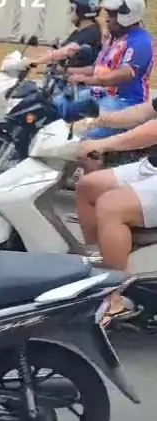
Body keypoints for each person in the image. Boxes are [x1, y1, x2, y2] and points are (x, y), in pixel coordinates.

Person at [75, 96, 157, 320]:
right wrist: (96, 122)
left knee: (111, 206)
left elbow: (153, 130)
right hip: (152, 166)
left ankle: (114, 297)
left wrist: (103, 143)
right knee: (88, 186)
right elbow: (141, 112)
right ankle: (100, 262)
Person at [66, 0, 153, 140]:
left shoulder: (141, 41)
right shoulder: (115, 39)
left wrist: (87, 80)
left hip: (124, 103)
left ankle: (88, 153)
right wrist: (69, 72)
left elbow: (123, 75)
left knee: (84, 137)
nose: (107, 19)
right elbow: (98, 67)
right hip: (102, 95)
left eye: (112, 15)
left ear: (127, 16)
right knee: (61, 108)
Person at [30, 0, 102, 69]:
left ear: (82, 11)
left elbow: (65, 52)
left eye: (72, 9)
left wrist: (37, 61)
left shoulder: (91, 33)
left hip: (75, 76)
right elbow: (60, 49)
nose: (68, 12)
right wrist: (38, 57)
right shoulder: (80, 31)